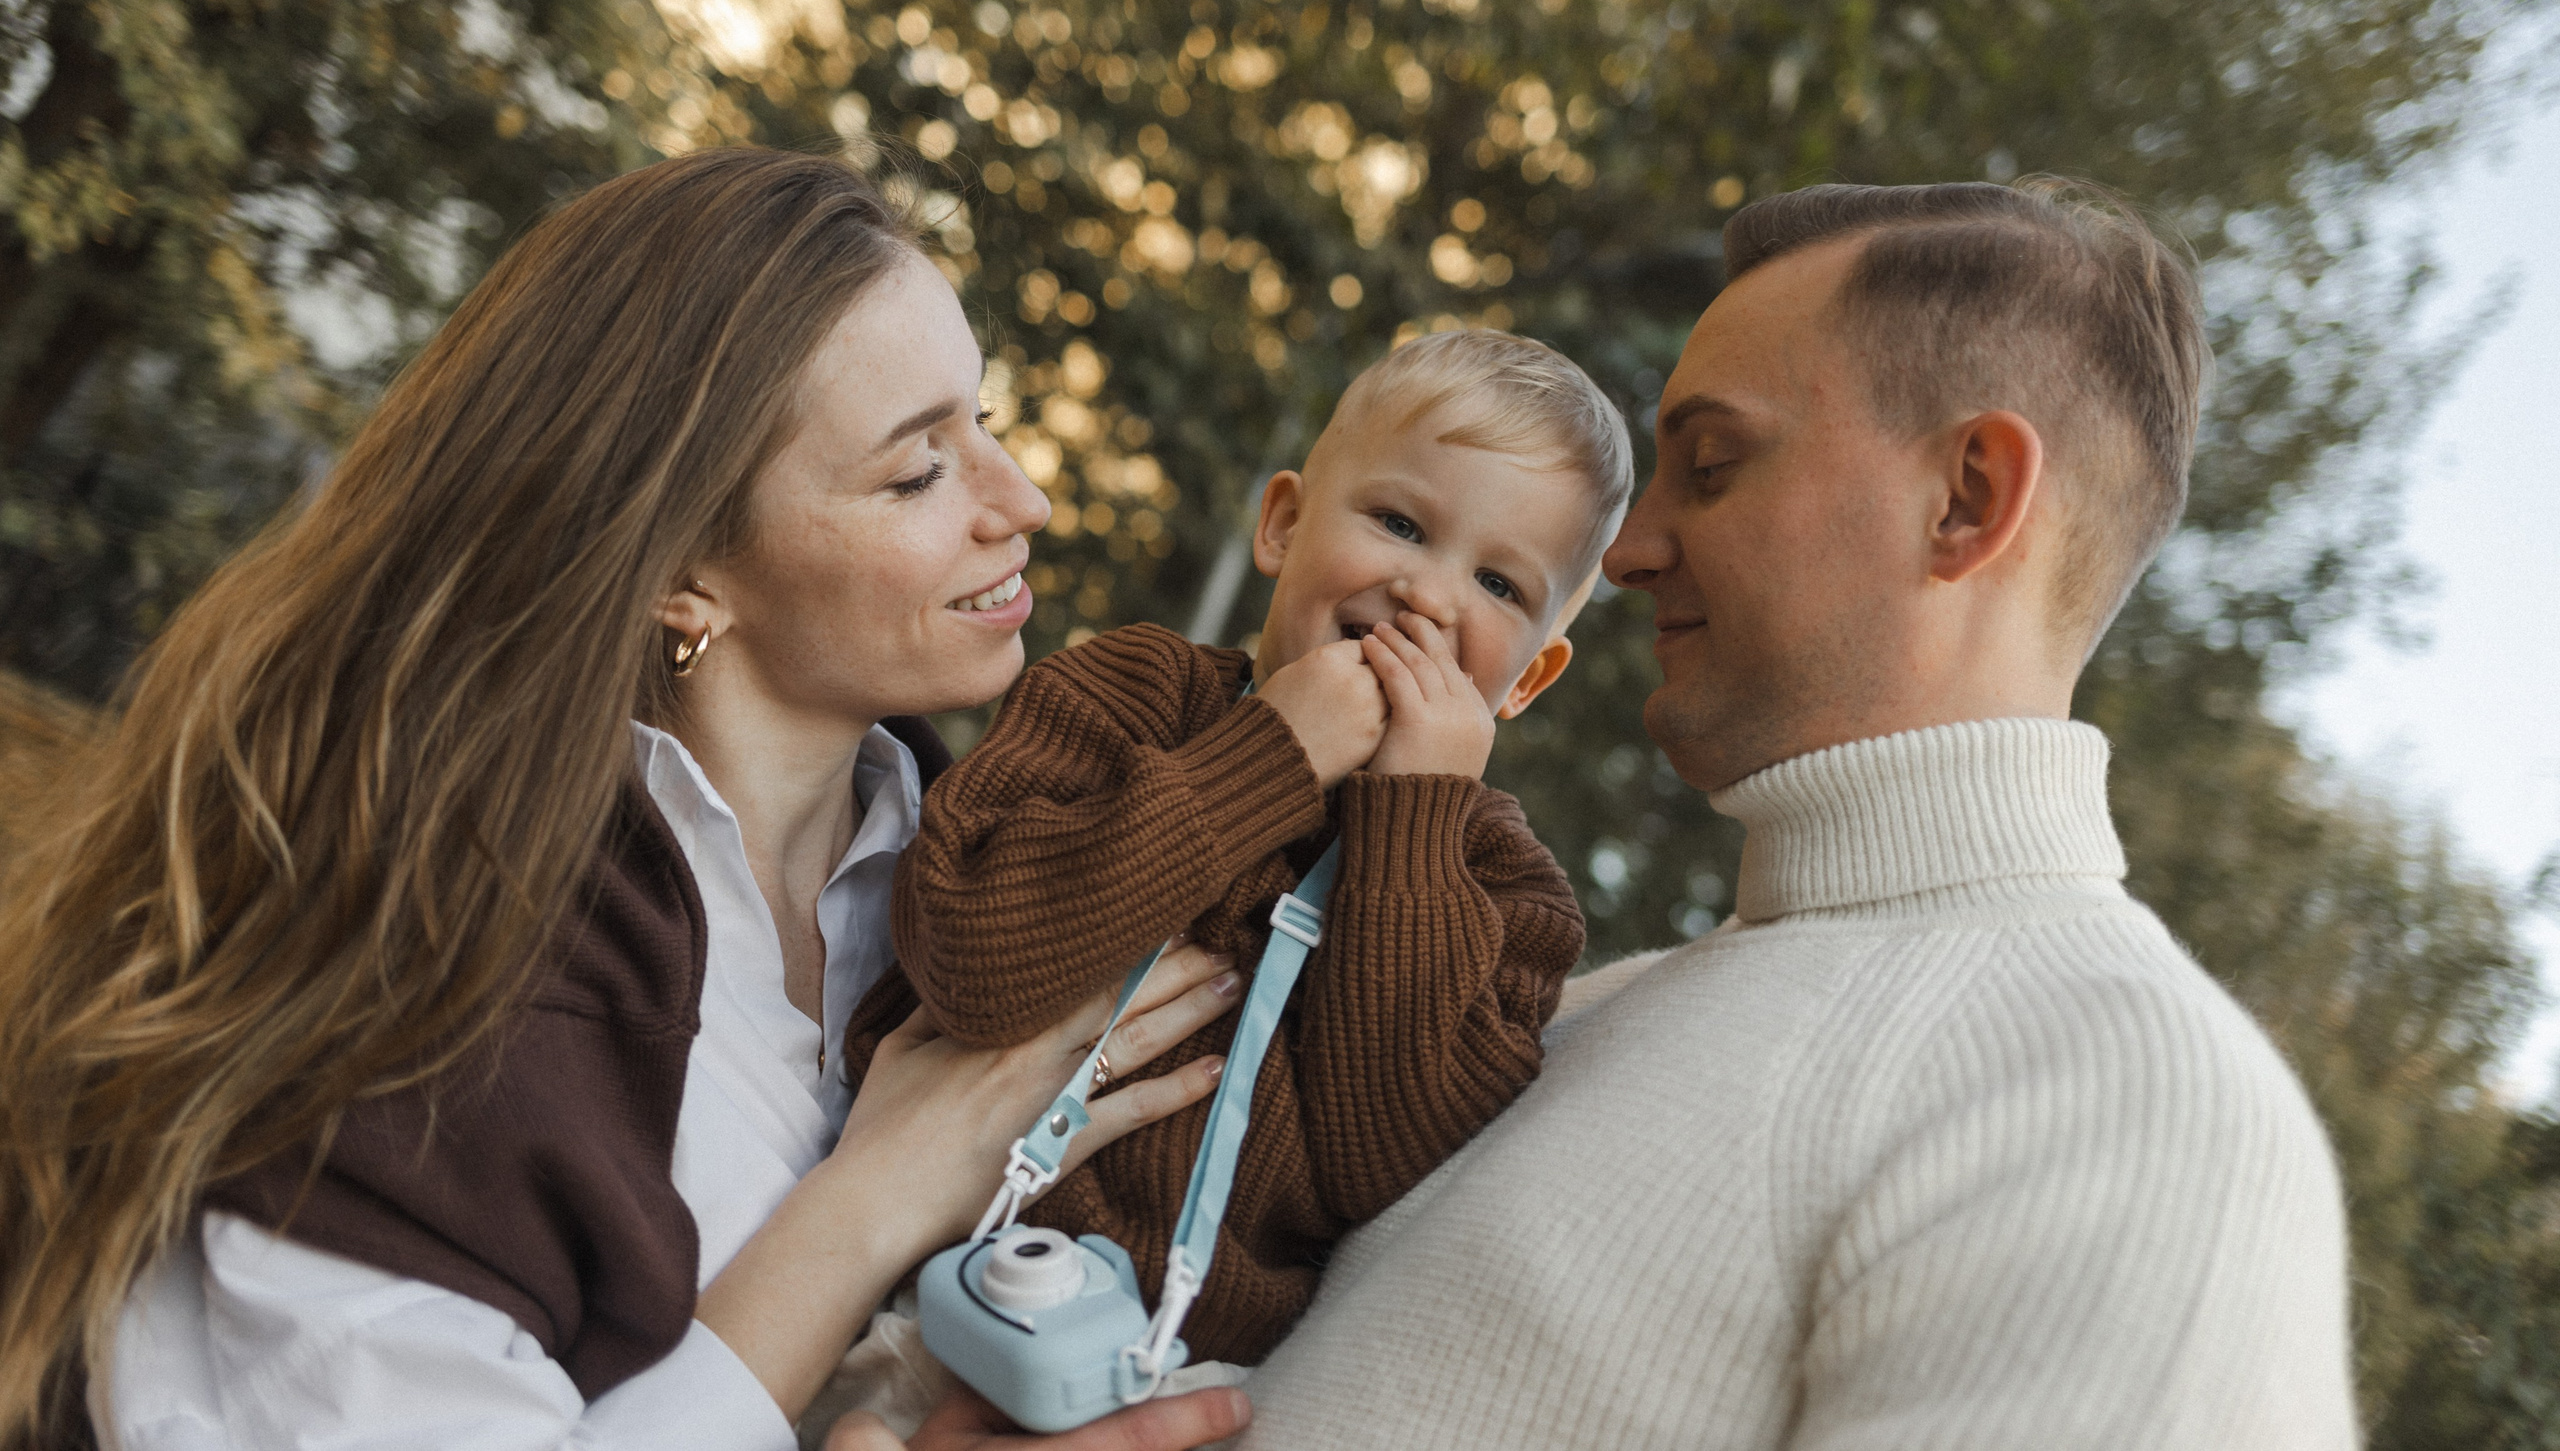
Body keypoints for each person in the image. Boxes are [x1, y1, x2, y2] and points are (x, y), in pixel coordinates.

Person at [0, 148, 1250, 1451]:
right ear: (685, 572)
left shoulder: (997, 867)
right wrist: (872, 1200)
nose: (1025, 500)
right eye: (918, 469)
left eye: (985, 421)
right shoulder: (423, 987)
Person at [1242, 179, 2359, 1448]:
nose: (1625, 551)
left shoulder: (2134, 1104)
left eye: (1710, 466)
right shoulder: (1573, 1021)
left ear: (1969, 498)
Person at [841, 331, 1628, 1371]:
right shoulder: (1128, 699)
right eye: (1399, 523)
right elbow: (973, 961)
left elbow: (1382, 1168)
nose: (1428, 597)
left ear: (1529, 679)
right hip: (921, 1286)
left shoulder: (1505, 894)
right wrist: (1273, 754)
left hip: (1197, 1377)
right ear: (1283, 523)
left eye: (1499, 587)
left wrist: (1412, 821)